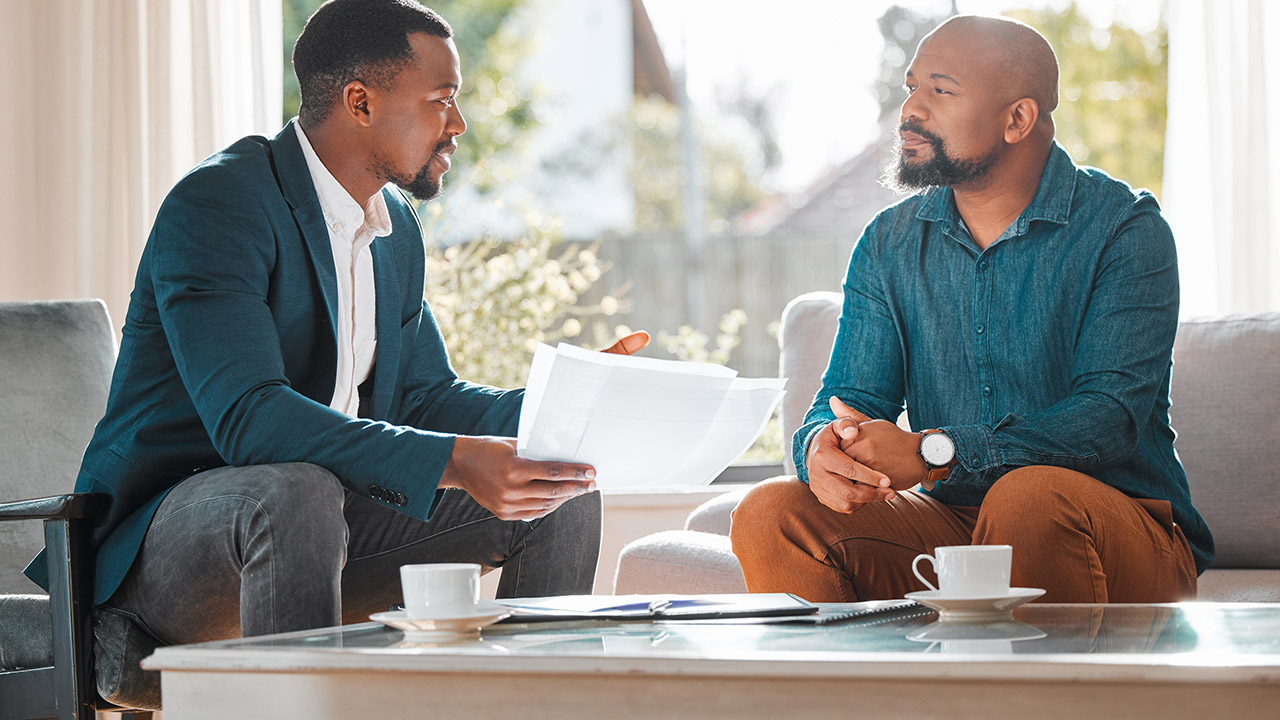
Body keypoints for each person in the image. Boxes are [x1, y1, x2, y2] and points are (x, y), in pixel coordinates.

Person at [24, 0, 648, 704]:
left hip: (318, 537)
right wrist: (451, 460)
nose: (459, 124)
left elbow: (423, 396)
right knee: (296, 489)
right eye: (442, 99)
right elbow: (250, 419)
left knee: (554, 491)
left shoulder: (393, 231)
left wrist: (571, 398)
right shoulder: (221, 203)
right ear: (360, 101)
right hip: (161, 561)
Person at [730, 15, 1211, 605]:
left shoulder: (1124, 229)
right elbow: (845, 400)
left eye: (941, 90)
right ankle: (846, 700)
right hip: (951, 529)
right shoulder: (889, 243)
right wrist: (821, 451)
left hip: (1114, 526)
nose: (911, 110)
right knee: (771, 511)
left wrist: (935, 451)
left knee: (1027, 499)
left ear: (1018, 119)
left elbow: (1108, 419)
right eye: (911, 87)